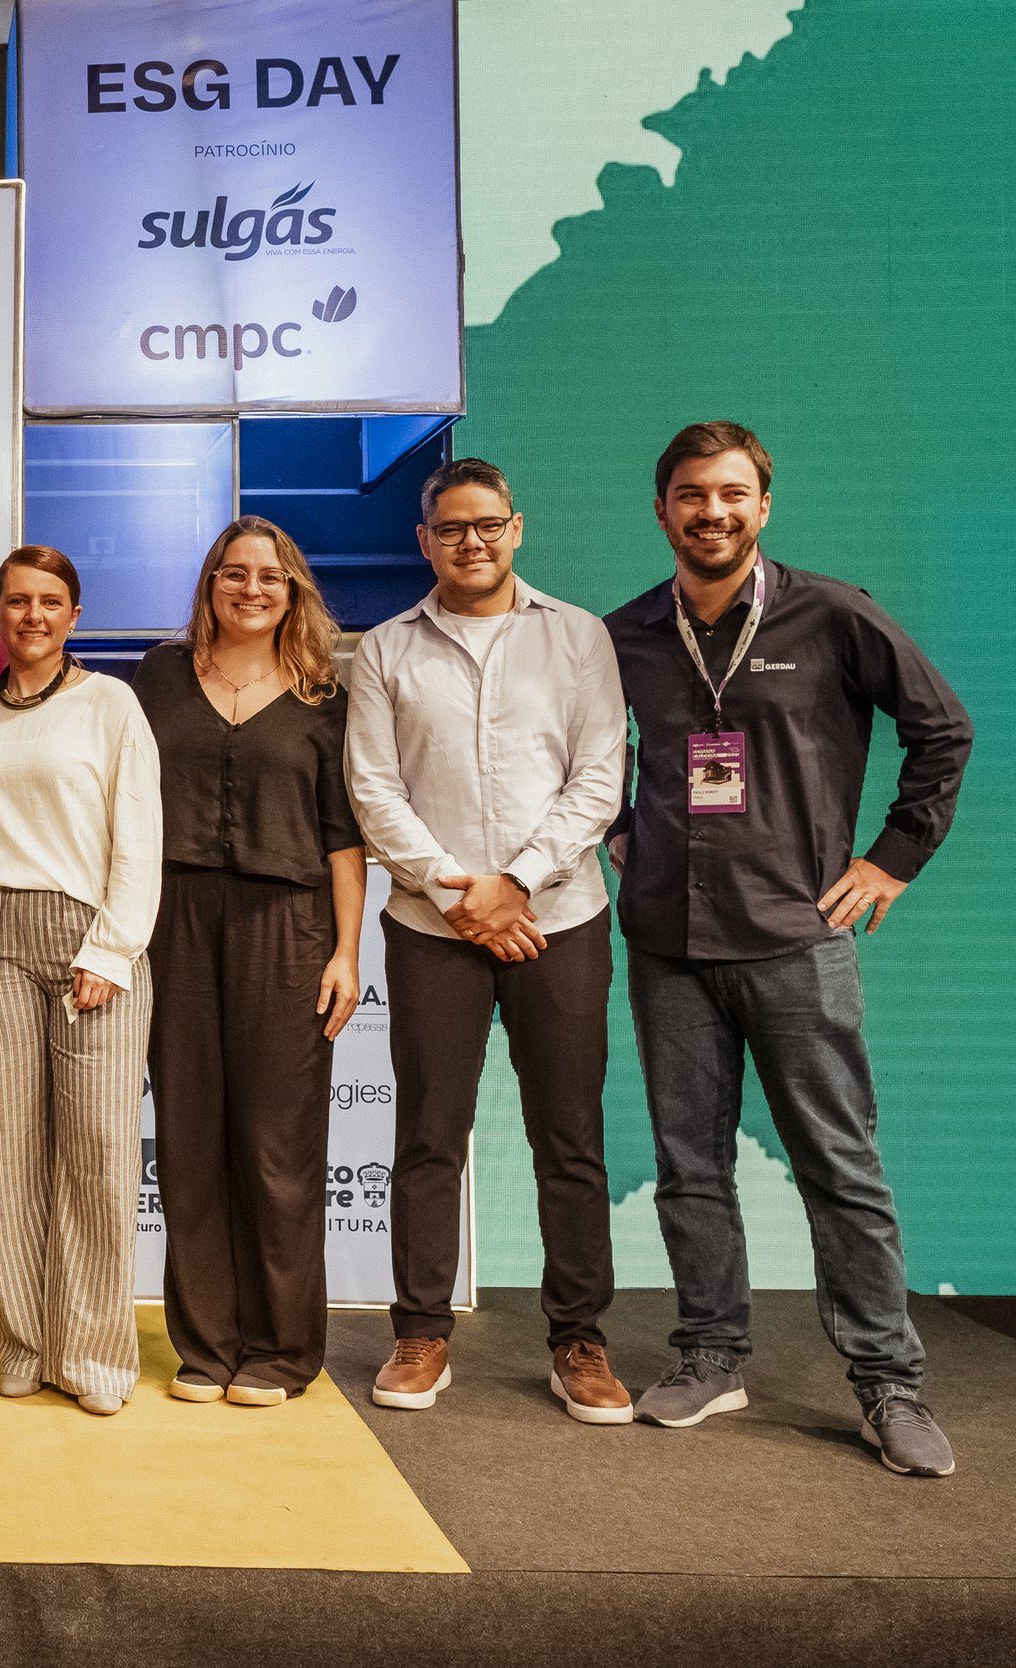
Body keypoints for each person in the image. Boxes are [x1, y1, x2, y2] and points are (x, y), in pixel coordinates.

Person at [606, 422, 970, 1476]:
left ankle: (889, 1384)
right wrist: (620, 829)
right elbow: (578, 755)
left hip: (795, 937)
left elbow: (942, 730)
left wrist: (892, 860)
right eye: (690, 495)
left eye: (731, 494)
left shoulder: (834, 614)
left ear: (762, 507)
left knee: (840, 1168)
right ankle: (710, 1356)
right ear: (662, 512)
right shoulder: (624, 634)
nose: (710, 512)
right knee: (688, 1167)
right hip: (669, 940)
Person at [344, 459, 631, 1423]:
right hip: (432, 927)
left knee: (569, 1137)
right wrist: (458, 893)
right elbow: (373, 788)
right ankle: (420, 1333)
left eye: (488, 525)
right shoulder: (386, 649)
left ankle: (579, 1340)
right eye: (451, 527)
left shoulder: (578, 637)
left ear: (517, 528)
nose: (471, 541)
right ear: (424, 540)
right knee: (428, 1137)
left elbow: (599, 777)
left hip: (561, 919)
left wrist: (517, 885)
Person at [133, 516, 363, 1407]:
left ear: (292, 589)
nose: (252, 588)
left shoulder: (324, 695)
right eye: (235, 573)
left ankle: (280, 1349)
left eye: (270, 576)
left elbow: (343, 838)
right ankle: (205, 1345)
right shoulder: (159, 676)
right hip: (174, 922)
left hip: (288, 927)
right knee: (190, 1141)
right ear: (210, 584)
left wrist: (346, 952)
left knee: (278, 1146)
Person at [0, 547, 160, 1414]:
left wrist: (111, 951)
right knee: (5, 1153)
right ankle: (27, 1343)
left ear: (74, 614)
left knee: (99, 1154)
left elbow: (138, 836)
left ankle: (96, 1355)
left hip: (89, 936)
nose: (31, 615)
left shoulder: (111, 703)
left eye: (49, 601)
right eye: (16, 601)